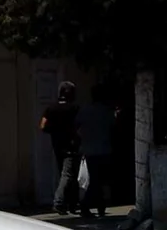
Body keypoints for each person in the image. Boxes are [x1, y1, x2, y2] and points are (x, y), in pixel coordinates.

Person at [75, 84, 115, 218]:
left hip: (90, 150)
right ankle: (94, 205)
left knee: (94, 179)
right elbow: (113, 127)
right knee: (101, 180)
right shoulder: (106, 111)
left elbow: (76, 127)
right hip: (104, 149)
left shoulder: (85, 110)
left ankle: (93, 205)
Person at [40, 81, 80, 214]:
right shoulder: (74, 108)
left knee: (67, 174)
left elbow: (43, 126)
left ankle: (72, 203)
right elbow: (80, 126)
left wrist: (55, 130)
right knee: (68, 174)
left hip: (57, 145)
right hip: (72, 145)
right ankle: (59, 202)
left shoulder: (51, 108)